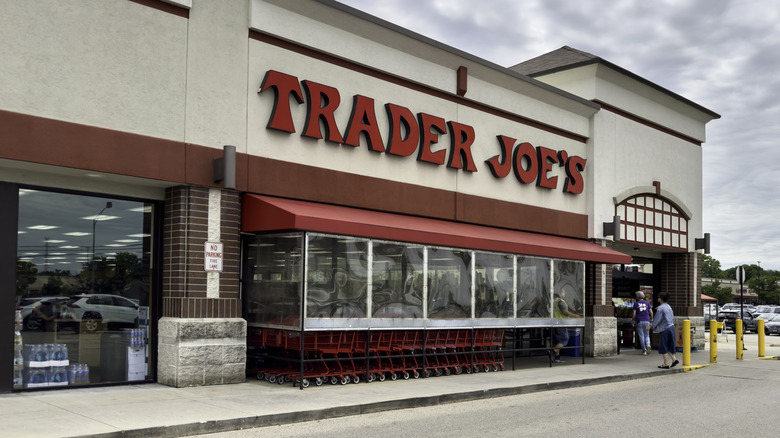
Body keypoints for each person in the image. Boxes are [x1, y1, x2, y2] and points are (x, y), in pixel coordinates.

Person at [552, 287, 582, 363]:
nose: (565, 294)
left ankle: (556, 357)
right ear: (560, 293)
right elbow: (564, 312)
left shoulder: (554, 301)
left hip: (554, 322)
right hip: (561, 323)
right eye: (564, 292)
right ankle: (553, 350)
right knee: (564, 339)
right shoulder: (561, 301)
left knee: (557, 341)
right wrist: (575, 316)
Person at [651, 292, 679, 369]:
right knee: (669, 345)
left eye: (658, 297)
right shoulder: (668, 306)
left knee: (663, 346)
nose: (657, 299)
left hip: (665, 329)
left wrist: (651, 325)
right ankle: (674, 359)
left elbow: (657, 319)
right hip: (671, 327)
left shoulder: (660, 308)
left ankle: (666, 363)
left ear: (661, 299)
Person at [633, 291, 654, 355]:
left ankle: (644, 350)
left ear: (637, 297)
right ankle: (648, 345)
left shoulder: (636, 304)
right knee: (647, 335)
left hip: (639, 321)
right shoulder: (647, 303)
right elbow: (651, 312)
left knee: (641, 336)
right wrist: (651, 318)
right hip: (647, 321)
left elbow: (634, 313)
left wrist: (633, 320)